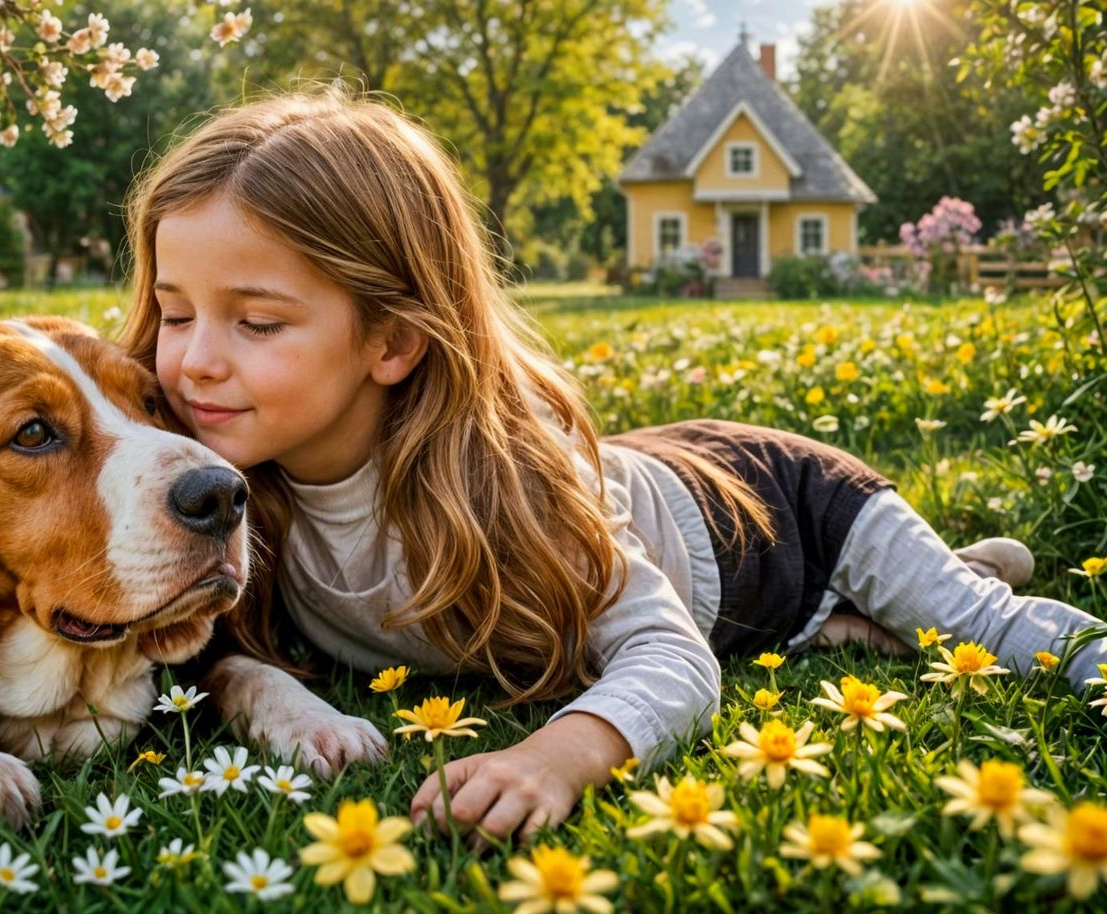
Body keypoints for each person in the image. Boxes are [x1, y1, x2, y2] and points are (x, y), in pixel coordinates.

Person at [116, 89, 1107, 842]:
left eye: (255, 321)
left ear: (391, 340)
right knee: (853, 625)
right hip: (698, 544)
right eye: (173, 311)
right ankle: (848, 621)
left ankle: (926, 587)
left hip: (779, 507)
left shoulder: (521, 483)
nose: (196, 357)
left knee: (975, 626)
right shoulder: (221, 489)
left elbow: (671, 658)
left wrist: (561, 751)